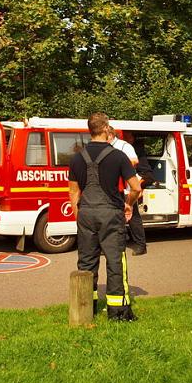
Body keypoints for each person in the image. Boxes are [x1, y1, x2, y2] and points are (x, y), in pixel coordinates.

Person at [69, 113, 142, 321]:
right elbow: (136, 188)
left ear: (90, 130)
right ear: (106, 129)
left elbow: (73, 193)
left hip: (86, 214)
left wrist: (79, 215)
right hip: (111, 214)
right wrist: (128, 204)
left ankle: (85, 308)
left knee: (86, 262)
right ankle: (118, 312)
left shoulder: (76, 157)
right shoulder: (118, 156)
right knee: (115, 261)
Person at [107, 126, 148, 255]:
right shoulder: (107, 147)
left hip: (127, 187)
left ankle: (141, 245)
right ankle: (118, 243)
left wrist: (116, 164)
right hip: (114, 186)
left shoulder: (124, 146)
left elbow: (134, 161)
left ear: (110, 135)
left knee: (133, 216)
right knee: (115, 216)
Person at [121, 130, 156, 255]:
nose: (126, 139)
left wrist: (138, 188)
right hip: (127, 183)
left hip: (140, 178)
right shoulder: (123, 147)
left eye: (128, 136)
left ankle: (141, 245)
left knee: (133, 215)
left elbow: (143, 174)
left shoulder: (129, 148)